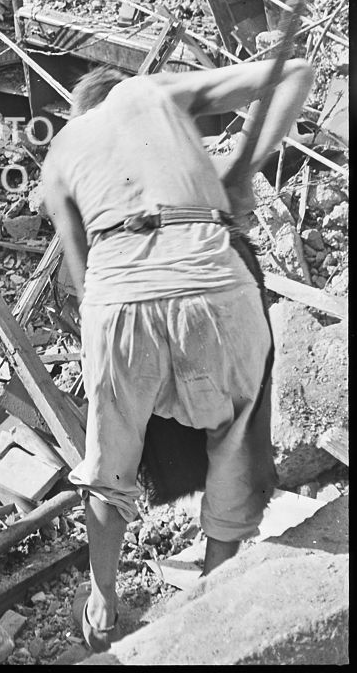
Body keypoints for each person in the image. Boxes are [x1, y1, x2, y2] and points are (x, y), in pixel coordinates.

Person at [41, 58, 313, 652]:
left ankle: (103, 599)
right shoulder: (152, 91)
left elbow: (78, 270)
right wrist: (247, 166)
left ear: (82, 110)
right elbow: (297, 71)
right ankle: (217, 589)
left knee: (109, 462)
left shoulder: (63, 147)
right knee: (237, 436)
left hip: (116, 293)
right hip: (215, 279)